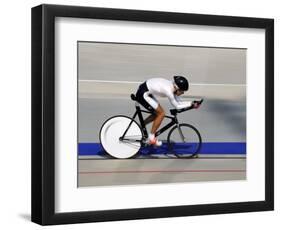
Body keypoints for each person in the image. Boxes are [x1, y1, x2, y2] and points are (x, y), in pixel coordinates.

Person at [135, 76, 199, 146]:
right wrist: (191, 105)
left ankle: (140, 126)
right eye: (182, 91)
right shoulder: (169, 91)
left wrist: (192, 103)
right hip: (143, 94)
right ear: (177, 88)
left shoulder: (173, 87)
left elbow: (179, 102)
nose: (183, 93)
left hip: (146, 91)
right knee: (161, 114)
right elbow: (177, 106)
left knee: (157, 114)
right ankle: (151, 137)